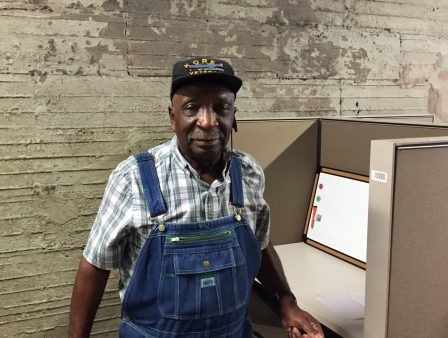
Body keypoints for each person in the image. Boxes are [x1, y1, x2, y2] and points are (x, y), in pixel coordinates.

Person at [69, 56, 324, 338]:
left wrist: (286, 301)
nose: (207, 121)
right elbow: (94, 266)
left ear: (233, 116)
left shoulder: (248, 172)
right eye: (192, 108)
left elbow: (260, 245)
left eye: (221, 108)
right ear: (172, 117)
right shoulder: (134, 178)